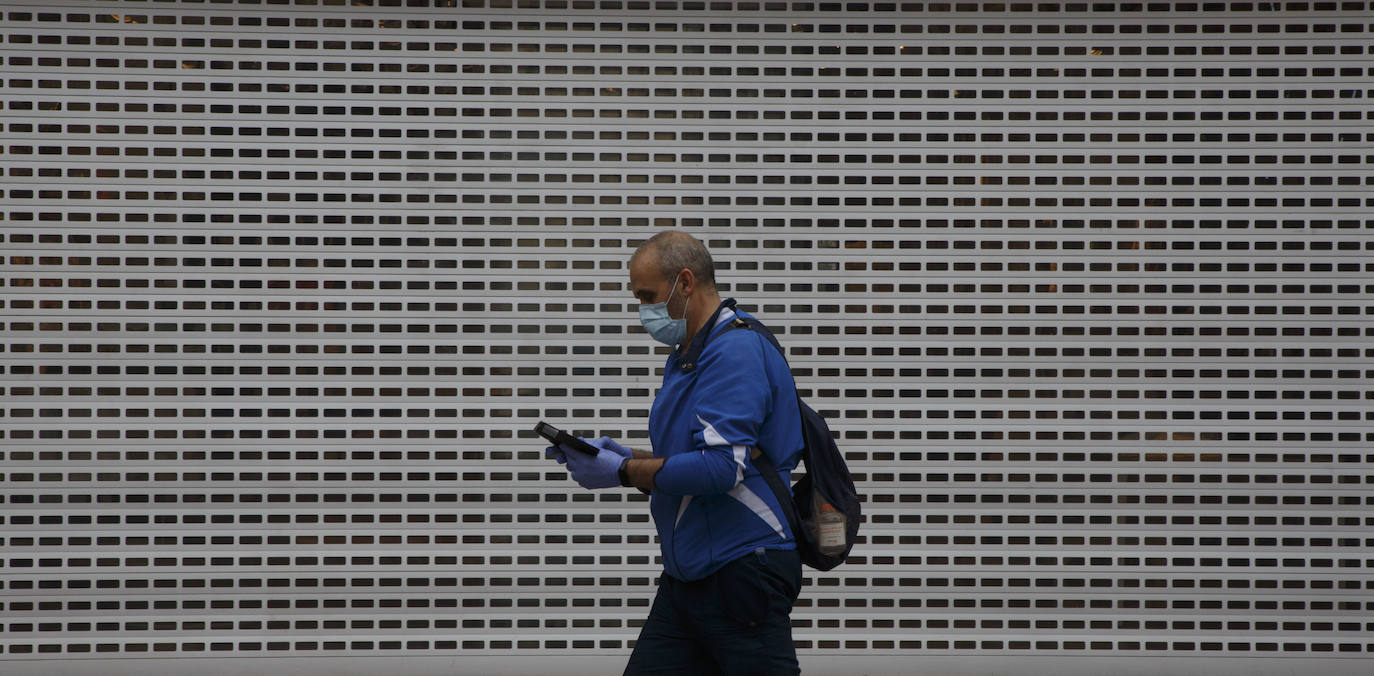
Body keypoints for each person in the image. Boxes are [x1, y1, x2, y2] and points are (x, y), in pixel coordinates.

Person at [544, 230, 805, 675]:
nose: (643, 310)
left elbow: (722, 468)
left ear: (685, 283)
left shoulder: (734, 351)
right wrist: (620, 455)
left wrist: (624, 471)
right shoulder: (690, 353)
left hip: (741, 570)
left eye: (647, 296)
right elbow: (690, 455)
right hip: (691, 574)